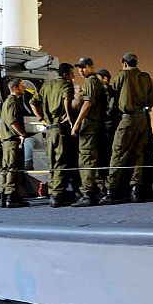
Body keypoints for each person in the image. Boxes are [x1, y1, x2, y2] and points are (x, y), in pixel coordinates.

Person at [100, 52, 153, 204]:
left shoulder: (123, 75)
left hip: (128, 118)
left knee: (118, 153)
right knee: (138, 154)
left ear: (124, 63)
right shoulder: (146, 77)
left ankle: (111, 190)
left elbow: (114, 89)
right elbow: (151, 99)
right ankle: (135, 190)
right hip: (142, 119)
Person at [31, 63, 75, 207]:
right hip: (60, 128)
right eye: (72, 73)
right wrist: (69, 118)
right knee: (61, 161)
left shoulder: (46, 86)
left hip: (49, 130)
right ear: (65, 74)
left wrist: (41, 119)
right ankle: (58, 195)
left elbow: (33, 102)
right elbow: (66, 100)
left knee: (52, 162)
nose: (73, 76)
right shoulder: (66, 85)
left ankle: (53, 192)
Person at [70, 57, 107, 206]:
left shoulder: (90, 81)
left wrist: (76, 124)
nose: (80, 70)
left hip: (90, 124)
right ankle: (98, 189)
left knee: (85, 159)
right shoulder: (96, 81)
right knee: (93, 158)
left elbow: (88, 103)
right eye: (79, 68)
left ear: (91, 66)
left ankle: (88, 193)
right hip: (97, 124)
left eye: (83, 67)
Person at [0, 78, 30, 208]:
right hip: (12, 140)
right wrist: (22, 134)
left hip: (6, 141)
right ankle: (12, 197)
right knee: (13, 167)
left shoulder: (6, 102)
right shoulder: (13, 101)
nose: (24, 88)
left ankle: (4, 195)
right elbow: (12, 121)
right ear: (15, 88)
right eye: (22, 86)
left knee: (6, 168)